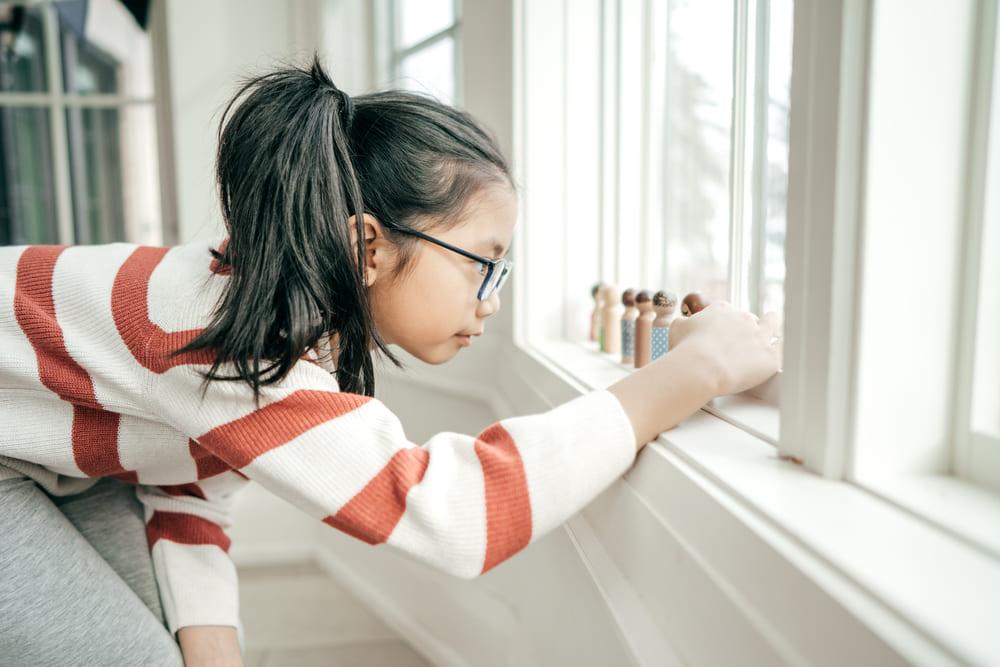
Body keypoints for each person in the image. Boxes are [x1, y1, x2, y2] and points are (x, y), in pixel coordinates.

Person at [0, 56, 781, 666]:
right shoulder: (235, 342)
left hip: (49, 464)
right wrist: (688, 374)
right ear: (367, 244)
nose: (493, 299)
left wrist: (214, 637)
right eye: (484, 262)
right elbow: (456, 514)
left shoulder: (271, 314)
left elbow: (185, 476)